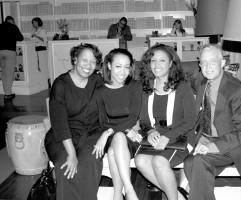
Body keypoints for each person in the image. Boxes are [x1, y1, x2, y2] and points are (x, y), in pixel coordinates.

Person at [184, 44, 241, 200]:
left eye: (212, 61)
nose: (207, 66)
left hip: (231, 144)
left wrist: (211, 147)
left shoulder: (237, 90)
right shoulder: (200, 81)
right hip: (205, 137)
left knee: (198, 162)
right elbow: (185, 77)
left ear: (223, 62)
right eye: (203, 62)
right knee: (190, 163)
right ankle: (198, 189)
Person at [134, 44, 196, 200]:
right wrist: (150, 131)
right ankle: (178, 196)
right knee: (140, 161)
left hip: (181, 137)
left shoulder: (183, 86)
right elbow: (144, 119)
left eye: (162, 60)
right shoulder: (146, 87)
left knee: (159, 162)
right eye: (153, 60)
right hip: (156, 138)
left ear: (170, 64)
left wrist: (168, 136)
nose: (157, 65)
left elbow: (190, 120)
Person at [44, 43, 104, 200]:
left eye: (93, 62)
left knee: (91, 161)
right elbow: (59, 122)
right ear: (75, 59)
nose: (88, 66)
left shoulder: (97, 81)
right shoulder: (61, 84)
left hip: (90, 135)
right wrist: (71, 154)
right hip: (62, 137)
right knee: (67, 166)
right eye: (84, 60)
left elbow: (113, 100)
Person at [93, 48, 142, 200]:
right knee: (118, 138)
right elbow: (102, 121)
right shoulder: (100, 91)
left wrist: (116, 132)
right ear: (109, 66)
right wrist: (108, 133)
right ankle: (129, 191)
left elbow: (134, 117)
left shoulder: (135, 86)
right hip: (114, 135)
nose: (123, 72)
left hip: (132, 137)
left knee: (116, 147)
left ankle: (118, 194)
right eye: (118, 66)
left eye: (127, 67)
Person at [0, 16, 24, 99]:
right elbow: (20, 38)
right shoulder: (13, 27)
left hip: (0, 52)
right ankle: (8, 93)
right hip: (10, 52)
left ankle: (5, 91)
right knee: (9, 73)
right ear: (11, 21)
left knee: (3, 72)